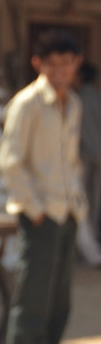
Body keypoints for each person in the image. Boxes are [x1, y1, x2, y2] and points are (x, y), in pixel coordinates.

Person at [0, 29, 87, 344]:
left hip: (66, 213)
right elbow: (10, 161)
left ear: (75, 65)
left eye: (67, 63)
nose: (60, 71)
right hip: (39, 216)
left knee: (59, 305)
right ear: (39, 64)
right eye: (53, 63)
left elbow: (69, 162)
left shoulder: (75, 105)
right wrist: (33, 209)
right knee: (32, 302)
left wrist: (77, 208)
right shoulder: (27, 104)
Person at [76, 62, 101, 259]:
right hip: (99, 154)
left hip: (84, 156)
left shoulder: (76, 99)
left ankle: (90, 246)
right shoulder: (98, 98)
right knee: (95, 199)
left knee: (83, 202)